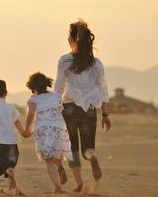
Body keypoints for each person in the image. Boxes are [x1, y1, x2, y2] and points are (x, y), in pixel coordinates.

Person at [54, 20, 112, 192]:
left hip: (69, 108)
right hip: (90, 110)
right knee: (88, 147)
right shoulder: (96, 63)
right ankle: (93, 157)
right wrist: (105, 114)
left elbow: (58, 87)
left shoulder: (64, 60)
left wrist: (54, 110)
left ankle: (79, 184)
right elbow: (103, 89)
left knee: (71, 149)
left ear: (72, 40)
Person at [24, 72, 73, 193]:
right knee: (56, 152)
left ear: (32, 87)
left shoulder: (33, 100)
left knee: (48, 159)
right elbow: (59, 109)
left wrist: (27, 129)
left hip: (43, 129)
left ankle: (57, 187)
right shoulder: (56, 96)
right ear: (47, 84)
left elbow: (30, 115)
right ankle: (60, 167)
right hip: (59, 128)